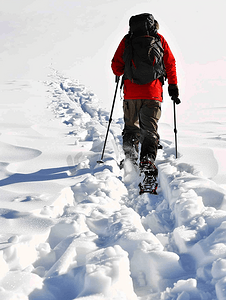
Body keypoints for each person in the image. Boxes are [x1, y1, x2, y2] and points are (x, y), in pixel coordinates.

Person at [111, 13, 179, 174]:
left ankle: (130, 159)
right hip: (153, 93)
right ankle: (147, 160)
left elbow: (116, 66)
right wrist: (173, 85)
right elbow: (170, 63)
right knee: (149, 130)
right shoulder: (159, 40)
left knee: (131, 128)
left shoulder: (127, 40)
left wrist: (125, 70)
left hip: (131, 93)